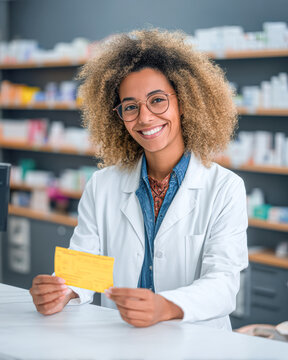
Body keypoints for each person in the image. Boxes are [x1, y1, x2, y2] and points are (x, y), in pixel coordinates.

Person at [30, 29, 248, 330]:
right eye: (131, 107)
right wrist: (61, 290)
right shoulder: (102, 185)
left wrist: (167, 306)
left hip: (196, 343)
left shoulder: (224, 188)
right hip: (122, 339)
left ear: (184, 102)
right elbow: (84, 268)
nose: (144, 118)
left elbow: (224, 284)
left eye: (157, 100)